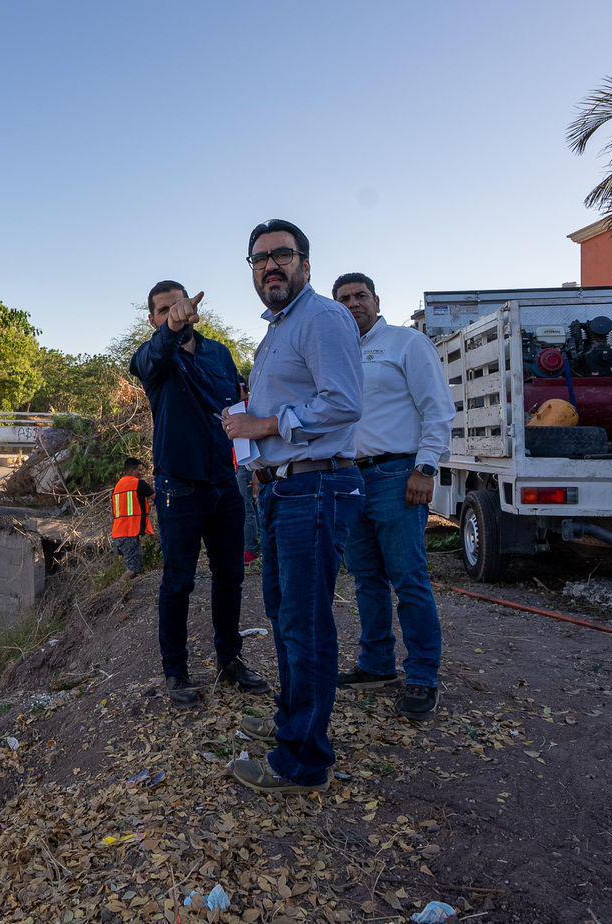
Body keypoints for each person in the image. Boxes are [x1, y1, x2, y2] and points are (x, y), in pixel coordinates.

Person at [221, 219, 364, 793]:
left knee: (304, 624)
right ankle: (293, 723)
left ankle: (303, 760)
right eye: (259, 259)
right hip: (285, 488)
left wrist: (262, 422)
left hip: (315, 488)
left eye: (282, 255)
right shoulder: (280, 328)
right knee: (285, 617)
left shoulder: (322, 317)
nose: (270, 266)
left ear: (306, 262)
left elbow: (344, 404)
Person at [130, 280, 269, 707]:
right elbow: (150, 357)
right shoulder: (153, 359)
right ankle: (176, 673)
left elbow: (235, 408)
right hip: (178, 489)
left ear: (194, 308)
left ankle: (230, 659)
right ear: (152, 319)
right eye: (163, 310)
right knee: (178, 582)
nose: (174, 312)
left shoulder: (219, 354)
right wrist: (168, 333)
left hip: (224, 484)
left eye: (179, 304)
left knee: (230, 576)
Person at [333, 273, 455, 721]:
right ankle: (376, 664)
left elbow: (437, 408)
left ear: (376, 300)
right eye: (343, 299)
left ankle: (423, 676)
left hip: (397, 473)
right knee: (367, 580)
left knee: (409, 579)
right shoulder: (336, 354)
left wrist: (426, 467)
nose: (352, 304)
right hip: (350, 478)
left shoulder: (406, 344)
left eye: (359, 296)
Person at [110, 456, 155, 576]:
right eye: (139, 470)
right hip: (129, 532)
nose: (141, 473)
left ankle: (126, 590)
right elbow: (156, 498)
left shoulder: (117, 486)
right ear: (131, 470)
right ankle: (117, 590)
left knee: (135, 565)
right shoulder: (139, 484)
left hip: (118, 533)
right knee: (134, 569)